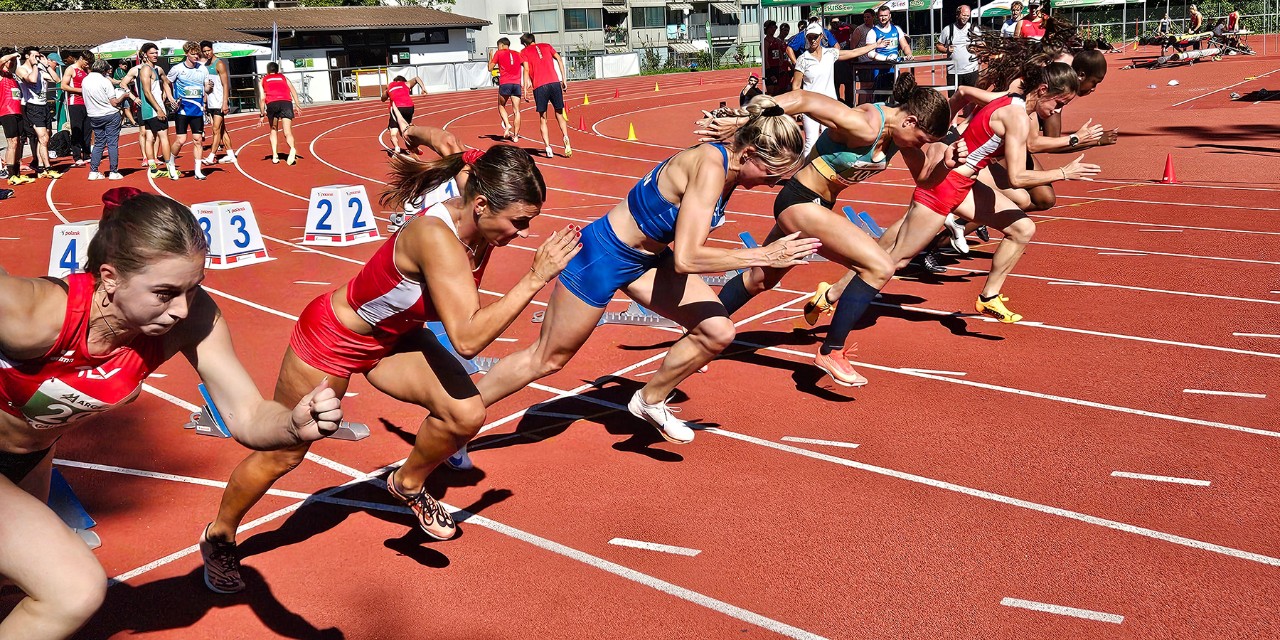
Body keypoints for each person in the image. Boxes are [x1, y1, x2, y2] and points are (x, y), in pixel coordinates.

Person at [201, 141, 579, 591]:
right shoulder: (437, 237)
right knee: (284, 453)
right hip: (335, 338)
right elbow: (468, 339)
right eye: (519, 222)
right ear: (480, 204)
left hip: (394, 338)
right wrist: (535, 277)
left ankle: (406, 483)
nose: (522, 232)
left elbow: (462, 156)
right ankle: (219, 536)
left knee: (466, 414)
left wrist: (433, 140)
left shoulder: (475, 203)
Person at [0, 187, 344, 638]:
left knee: (13, 578)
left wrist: (292, 424)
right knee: (74, 589)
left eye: (193, 287)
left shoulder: (193, 319)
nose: (181, 308)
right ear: (110, 278)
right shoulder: (33, 314)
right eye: (164, 293)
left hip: (28, 460)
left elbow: (245, 414)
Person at [453, 95, 817, 464]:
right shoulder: (710, 167)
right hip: (602, 256)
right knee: (546, 359)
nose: (774, 185)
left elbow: (763, 107)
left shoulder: (731, 160)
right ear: (750, 153)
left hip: (646, 261)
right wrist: (764, 255)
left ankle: (649, 400)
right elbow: (689, 257)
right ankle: (457, 420)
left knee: (717, 330)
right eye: (772, 175)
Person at [704, 78, 959, 386]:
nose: (922, 146)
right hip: (799, 200)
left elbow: (925, 181)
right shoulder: (865, 125)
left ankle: (700, 330)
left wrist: (946, 164)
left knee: (760, 279)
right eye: (922, 138)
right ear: (909, 120)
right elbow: (805, 99)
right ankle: (832, 351)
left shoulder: (897, 139)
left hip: (817, 206)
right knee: (879, 266)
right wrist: (749, 117)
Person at [819, 61, 1100, 326]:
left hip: (963, 184)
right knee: (896, 259)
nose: (1057, 111)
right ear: (1042, 91)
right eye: (1059, 103)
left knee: (1022, 228)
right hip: (945, 186)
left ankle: (989, 297)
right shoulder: (1016, 116)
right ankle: (830, 295)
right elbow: (1017, 177)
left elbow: (974, 102)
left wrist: (948, 130)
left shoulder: (1012, 100)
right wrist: (1063, 173)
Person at [795, 23, 890, 156]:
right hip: (810, 106)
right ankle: (806, 170)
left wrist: (875, 45)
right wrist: (798, 108)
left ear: (821, 36)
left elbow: (853, 52)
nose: (812, 40)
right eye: (809, 37)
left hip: (830, 105)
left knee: (831, 140)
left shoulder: (830, 53)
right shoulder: (802, 59)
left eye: (815, 37)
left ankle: (827, 170)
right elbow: (796, 86)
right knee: (811, 141)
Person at [83, 58, 137, 181]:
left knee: (98, 143)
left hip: (94, 115)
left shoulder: (85, 80)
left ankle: (93, 171)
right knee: (112, 143)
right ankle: (113, 171)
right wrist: (124, 96)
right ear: (104, 70)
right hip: (109, 114)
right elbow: (114, 102)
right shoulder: (105, 81)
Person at [165, 41, 213, 180]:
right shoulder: (177, 69)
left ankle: (198, 170)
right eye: (193, 54)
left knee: (198, 140)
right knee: (181, 140)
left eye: (197, 54)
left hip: (197, 109)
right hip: (182, 109)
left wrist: (210, 87)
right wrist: (170, 98)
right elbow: (166, 83)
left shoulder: (203, 69)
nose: (196, 57)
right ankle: (171, 163)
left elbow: (207, 90)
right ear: (186, 54)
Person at [519, 33, 572, 159]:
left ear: (525, 43)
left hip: (539, 86)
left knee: (543, 118)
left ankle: (548, 148)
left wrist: (525, 88)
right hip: (554, 82)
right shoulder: (547, 46)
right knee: (559, 113)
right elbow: (559, 59)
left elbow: (526, 69)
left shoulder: (524, 52)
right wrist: (564, 79)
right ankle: (565, 137)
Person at [15, 47, 61, 179]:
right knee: (42, 138)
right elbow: (32, 80)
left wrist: (47, 66)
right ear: (27, 56)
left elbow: (56, 79)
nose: (37, 58)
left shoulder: (40, 69)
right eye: (34, 56)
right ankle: (47, 167)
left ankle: (41, 166)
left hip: (44, 106)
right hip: (32, 106)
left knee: (45, 138)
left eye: (38, 56)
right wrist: (35, 65)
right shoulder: (22, 69)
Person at [134, 43, 174, 179]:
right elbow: (147, 91)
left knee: (150, 138)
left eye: (156, 53)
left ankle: (153, 169)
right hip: (153, 110)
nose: (155, 55)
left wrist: (168, 96)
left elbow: (167, 81)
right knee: (164, 138)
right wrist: (159, 109)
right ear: (145, 54)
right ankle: (170, 168)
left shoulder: (157, 69)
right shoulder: (145, 70)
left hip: (149, 110)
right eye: (152, 53)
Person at [200, 41, 236, 165]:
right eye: (204, 51)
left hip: (219, 102)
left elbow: (226, 85)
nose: (207, 53)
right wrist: (205, 102)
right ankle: (231, 155)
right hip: (211, 102)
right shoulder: (205, 65)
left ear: (212, 49)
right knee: (222, 130)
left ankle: (211, 156)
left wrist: (225, 102)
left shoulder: (219, 64)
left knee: (215, 129)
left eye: (208, 50)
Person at [864, 6, 914, 95]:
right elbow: (870, 53)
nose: (883, 18)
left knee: (896, 94)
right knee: (879, 96)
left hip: (894, 68)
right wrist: (886, 58)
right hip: (879, 69)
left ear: (889, 16)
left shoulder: (897, 29)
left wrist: (909, 54)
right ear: (877, 16)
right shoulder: (872, 32)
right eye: (881, 16)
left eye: (885, 15)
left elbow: (905, 45)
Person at [259, 62, 301, 165]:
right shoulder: (284, 77)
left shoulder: (263, 80)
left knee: (273, 130)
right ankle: (292, 148)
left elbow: (262, 98)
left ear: (268, 70)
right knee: (288, 132)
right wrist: (297, 105)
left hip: (272, 103)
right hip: (286, 103)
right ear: (277, 70)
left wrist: (261, 113)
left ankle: (275, 155)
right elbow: (293, 91)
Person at [1, 49, 32, 186]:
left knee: (19, 142)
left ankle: (17, 173)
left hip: (18, 112)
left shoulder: (12, 76)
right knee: (12, 142)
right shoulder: (1, 74)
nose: (11, 63)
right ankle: (11, 174)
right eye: (10, 60)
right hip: (7, 112)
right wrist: (13, 55)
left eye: (13, 61)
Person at [58, 51, 91, 168]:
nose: (88, 63)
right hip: (75, 103)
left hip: (88, 104)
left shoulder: (86, 70)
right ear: (81, 58)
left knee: (87, 130)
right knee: (77, 129)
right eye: (86, 61)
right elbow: (63, 86)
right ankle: (77, 156)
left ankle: (87, 154)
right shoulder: (71, 69)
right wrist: (80, 91)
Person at [938, 5, 981, 89]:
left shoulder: (973, 29)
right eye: (963, 15)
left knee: (973, 99)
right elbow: (939, 45)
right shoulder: (948, 29)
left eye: (968, 16)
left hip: (971, 70)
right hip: (954, 72)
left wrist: (976, 48)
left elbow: (982, 45)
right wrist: (946, 49)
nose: (966, 18)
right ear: (957, 15)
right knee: (954, 100)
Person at [489, 38, 523, 142]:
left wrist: (491, 56)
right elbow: (524, 65)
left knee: (501, 105)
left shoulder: (499, 53)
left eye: (498, 46)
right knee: (516, 111)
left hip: (505, 83)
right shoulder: (517, 53)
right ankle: (516, 136)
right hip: (517, 83)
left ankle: (507, 124)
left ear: (502, 45)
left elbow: (490, 68)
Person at [381, 74, 422, 155]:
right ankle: (414, 147)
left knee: (393, 132)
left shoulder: (390, 85)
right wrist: (423, 89)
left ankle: (396, 148)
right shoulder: (406, 84)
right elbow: (417, 78)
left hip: (397, 108)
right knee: (406, 129)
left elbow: (383, 99)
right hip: (409, 107)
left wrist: (386, 91)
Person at [848, 9, 877, 104]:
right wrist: (855, 58)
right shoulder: (859, 30)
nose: (866, 19)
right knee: (864, 86)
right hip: (863, 62)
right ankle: (861, 106)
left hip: (874, 61)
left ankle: (871, 104)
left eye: (868, 17)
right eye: (864, 17)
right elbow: (853, 46)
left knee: (873, 85)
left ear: (873, 17)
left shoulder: (876, 29)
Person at [762, 20, 791, 96]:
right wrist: (769, 73)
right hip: (769, 69)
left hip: (777, 68)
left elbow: (781, 54)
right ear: (767, 29)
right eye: (772, 27)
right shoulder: (765, 42)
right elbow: (765, 59)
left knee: (778, 90)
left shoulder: (776, 41)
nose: (774, 29)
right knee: (771, 91)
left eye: (775, 27)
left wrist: (781, 63)